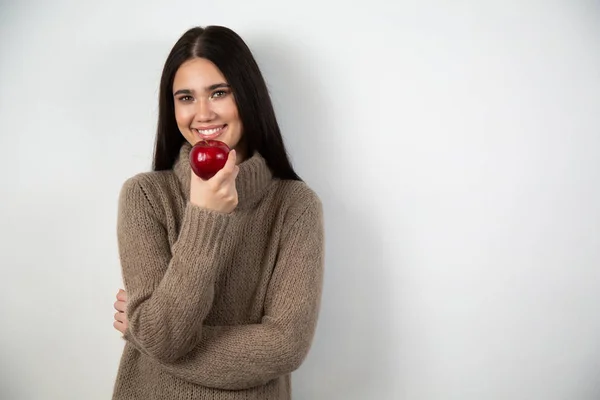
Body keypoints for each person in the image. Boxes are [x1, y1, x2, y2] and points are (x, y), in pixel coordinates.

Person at [110, 25, 325, 399]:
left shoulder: (295, 206)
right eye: (186, 98)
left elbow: (286, 345)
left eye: (219, 93)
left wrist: (144, 333)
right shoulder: (144, 196)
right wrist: (205, 217)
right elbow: (163, 336)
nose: (203, 113)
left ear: (249, 96)